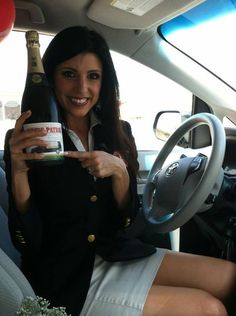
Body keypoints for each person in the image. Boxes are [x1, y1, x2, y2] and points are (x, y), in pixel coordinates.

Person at [4, 25, 236, 316]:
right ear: (51, 77)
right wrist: (18, 171)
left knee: (229, 276)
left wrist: (121, 174)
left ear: (104, 82)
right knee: (209, 308)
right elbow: (27, 240)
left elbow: (126, 222)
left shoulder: (117, 131)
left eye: (93, 76)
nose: (81, 89)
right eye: (69, 74)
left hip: (116, 252)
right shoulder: (33, 136)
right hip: (65, 275)